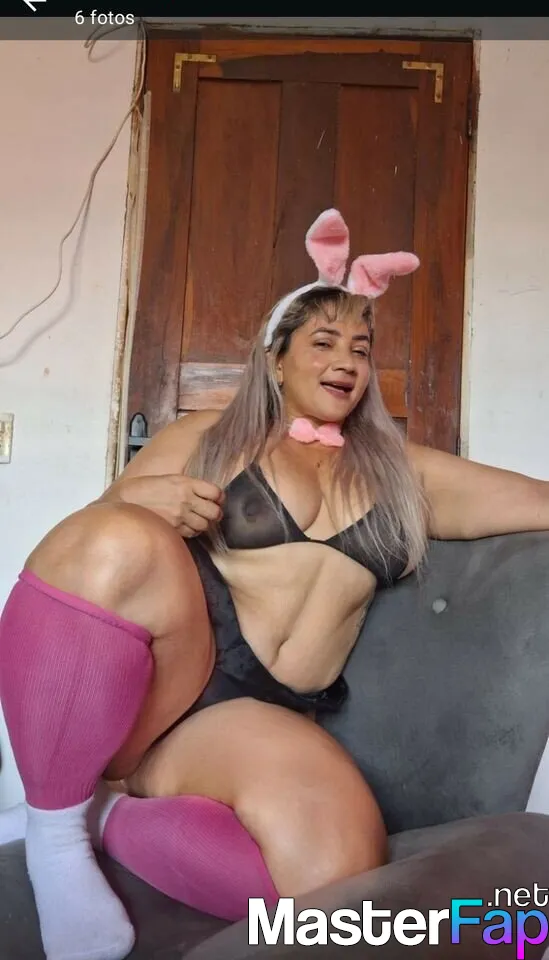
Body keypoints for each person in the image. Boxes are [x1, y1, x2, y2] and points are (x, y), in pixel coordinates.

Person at [0, 208, 548, 960]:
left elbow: (539, 501)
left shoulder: (405, 475)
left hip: (264, 714)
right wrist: (139, 500)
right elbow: (80, 558)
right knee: (119, 533)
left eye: (360, 348)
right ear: (276, 359)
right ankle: (56, 836)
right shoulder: (208, 438)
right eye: (323, 341)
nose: (346, 361)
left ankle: (104, 819)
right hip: (177, 688)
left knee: (336, 877)